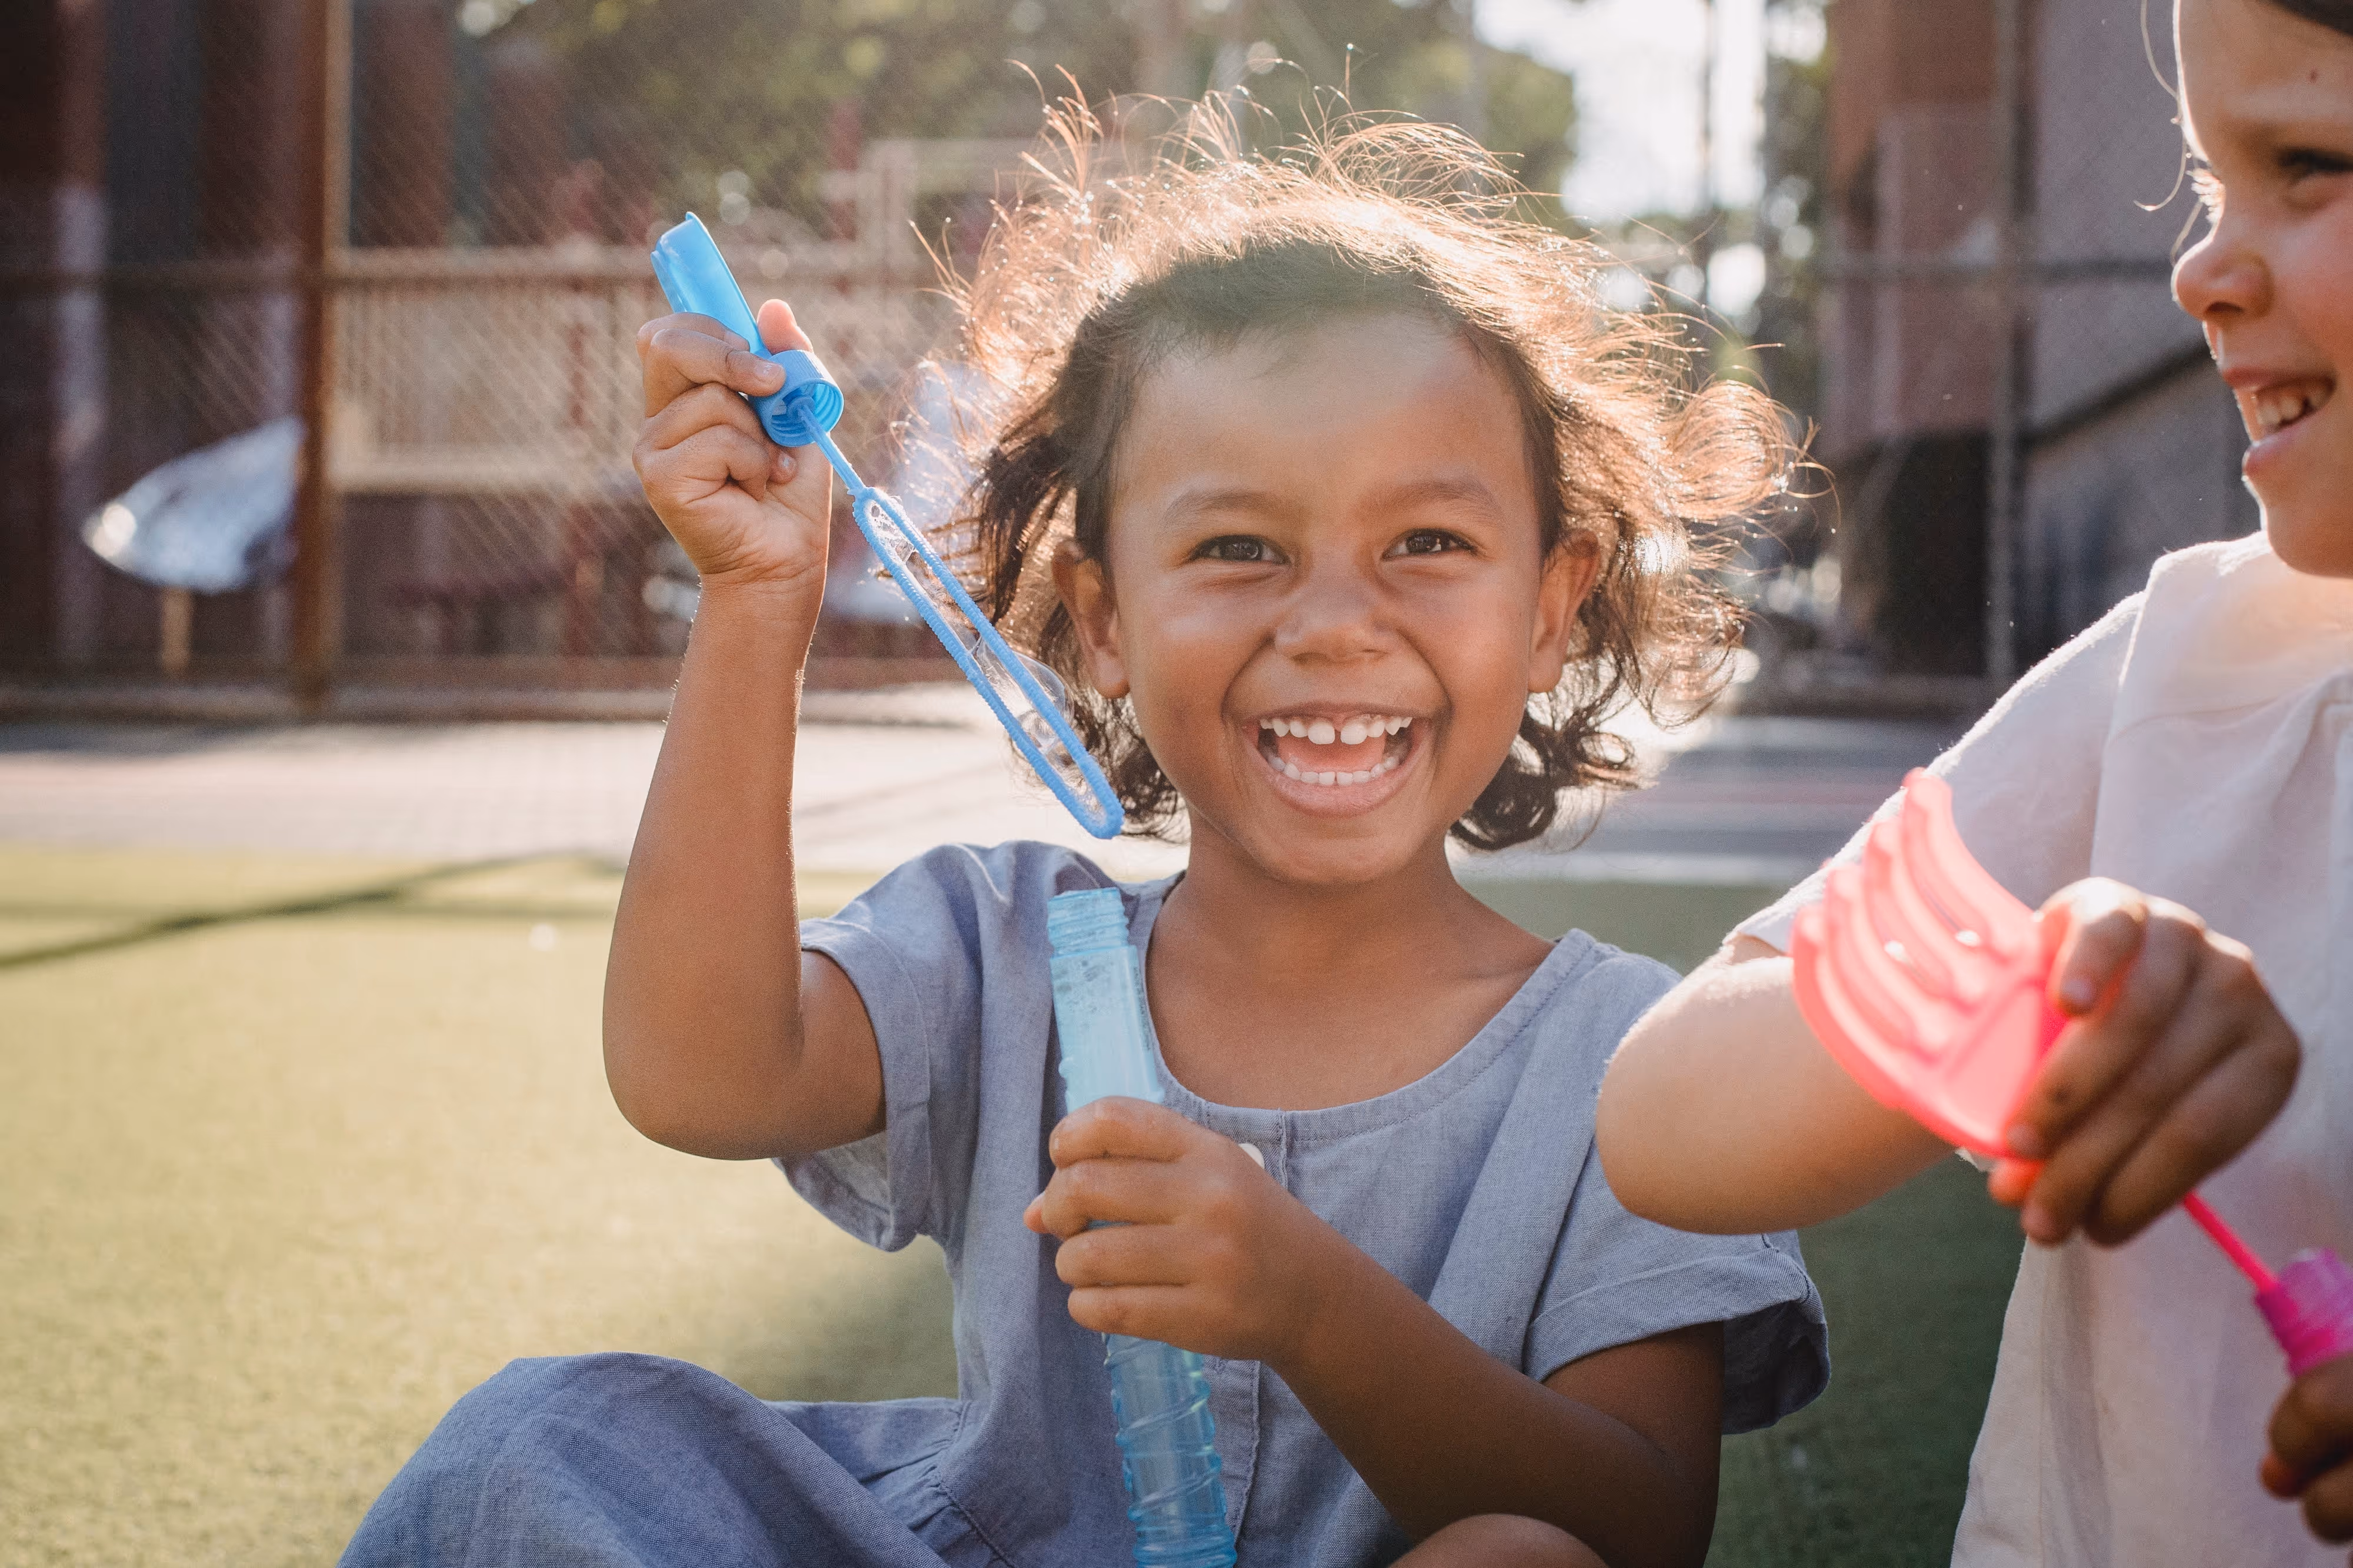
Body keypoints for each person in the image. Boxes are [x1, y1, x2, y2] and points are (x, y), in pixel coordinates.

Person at [338, 106, 1827, 1568]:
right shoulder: (1002, 953)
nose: (1331, 622)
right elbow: (699, 1074)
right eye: (1237, 547)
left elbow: (1637, 1524)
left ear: (1552, 605)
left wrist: (1306, 1303)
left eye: (1425, 543)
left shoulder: (1633, 1068)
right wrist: (753, 601)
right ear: (1102, 618)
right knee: (537, 1443)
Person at [1595, 1, 2352, 1562]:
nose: (2198, 270)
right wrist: (2025, 990)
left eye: (2308, 163)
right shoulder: (2184, 670)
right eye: (2205, 186)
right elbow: (1664, 1111)